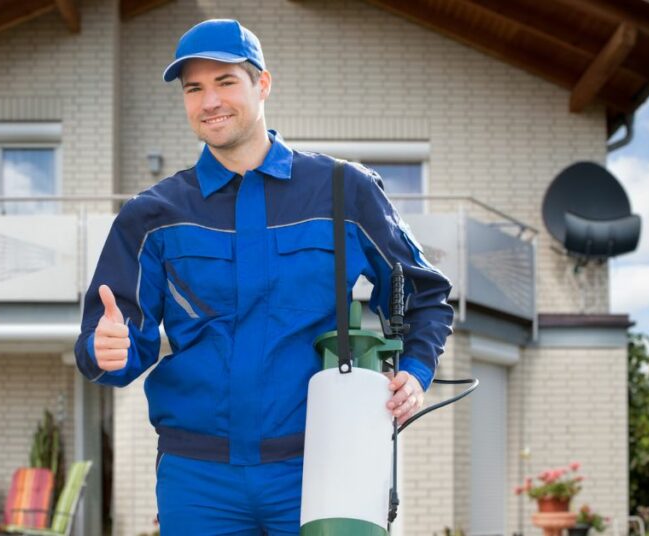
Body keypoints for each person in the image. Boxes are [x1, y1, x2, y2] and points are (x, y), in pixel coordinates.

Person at [74, 18, 454, 535]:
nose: (210, 101)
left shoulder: (344, 191)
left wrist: (416, 368)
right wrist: (105, 352)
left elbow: (424, 294)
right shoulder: (153, 216)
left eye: (226, 82)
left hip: (322, 466)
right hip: (198, 478)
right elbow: (114, 342)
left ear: (262, 84)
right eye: (194, 89)